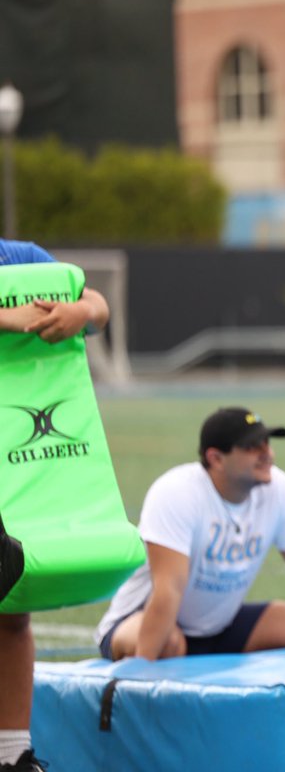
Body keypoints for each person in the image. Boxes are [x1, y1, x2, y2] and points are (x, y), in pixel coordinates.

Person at [95, 406, 285, 662]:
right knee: (170, 643)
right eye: (251, 447)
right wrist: (141, 671)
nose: (267, 453)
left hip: (218, 628)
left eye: (267, 444)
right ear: (216, 459)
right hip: (144, 621)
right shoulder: (176, 492)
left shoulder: (278, 489)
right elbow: (169, 589)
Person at [0, 237, 111, 772]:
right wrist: (6, 319)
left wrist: (79, 312)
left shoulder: (22, 258)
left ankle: (12, 755)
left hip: (20, 457)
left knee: (11, 608)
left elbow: (98, 306)